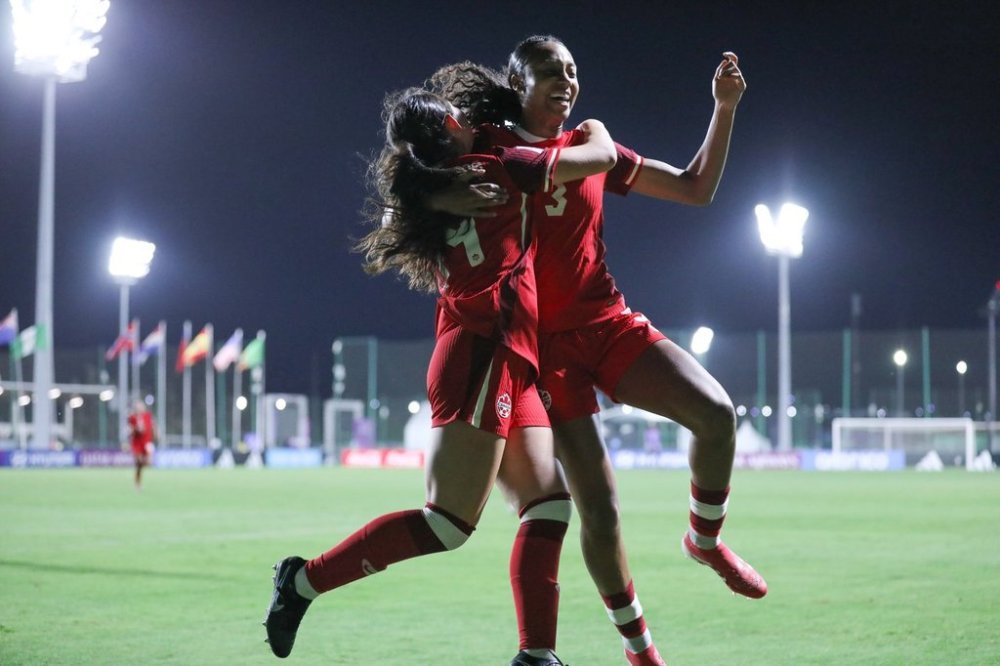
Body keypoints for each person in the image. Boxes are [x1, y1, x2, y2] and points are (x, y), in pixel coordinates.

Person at [428, 36, 764, 665]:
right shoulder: (490, 149)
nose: (567, 80)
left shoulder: (589, 145)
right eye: (551, 70)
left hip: (608, 323)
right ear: (517, 80)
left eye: (574, 70)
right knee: (601, 513)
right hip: (544, 352)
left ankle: (705, 541)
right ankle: (642, 652)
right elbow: (424, 186)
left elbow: (695, 189)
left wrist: (724, 108)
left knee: (717, 414)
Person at [263, 87, 617, 665]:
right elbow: (585, 161)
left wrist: (428, 185)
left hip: (506, 352)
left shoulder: (435, 184)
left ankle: (537, 656)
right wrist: (590, 129)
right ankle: (301, 582)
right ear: (453, 123)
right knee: (448, 524)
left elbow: (395, 202)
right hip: (483, 350)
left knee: (549, 505)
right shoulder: (496, 167)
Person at [127, 399, 156, 490]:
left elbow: (153, 426)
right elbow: (130, 430)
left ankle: (139, 476)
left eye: (141, 406)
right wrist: (135, 430)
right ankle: (137, 483)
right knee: (138, 463)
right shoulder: (132, 417)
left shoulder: (148, 416)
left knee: (149, 463)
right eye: (138, 407)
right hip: (137, 443)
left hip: (147, 442)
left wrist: (156, 434)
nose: (139, 408)